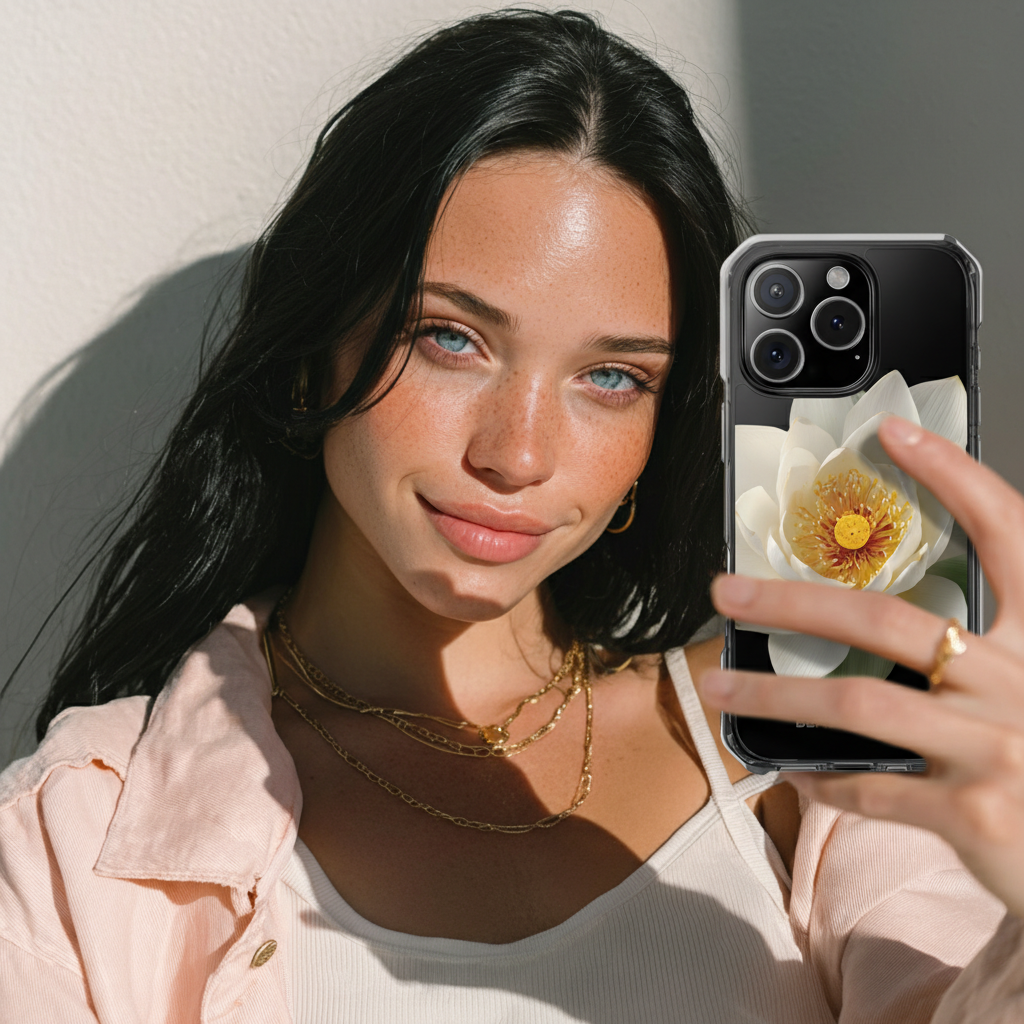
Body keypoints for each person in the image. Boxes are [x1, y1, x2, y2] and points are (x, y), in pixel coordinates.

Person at [0, 8, 1021, 1022]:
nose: (517, 454)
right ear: (318, 345)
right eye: (452, 339)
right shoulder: (79, 832)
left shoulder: (805, 753)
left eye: (612, 377)